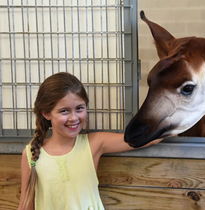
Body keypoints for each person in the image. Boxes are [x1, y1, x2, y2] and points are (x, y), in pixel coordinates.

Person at [18, 72, 162, 210]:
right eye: (64, 111)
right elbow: (26, 205)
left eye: (79, 108)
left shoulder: (94, 143)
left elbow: (147, 138)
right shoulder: (31, 154)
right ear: (46, 113)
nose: (74, 118)